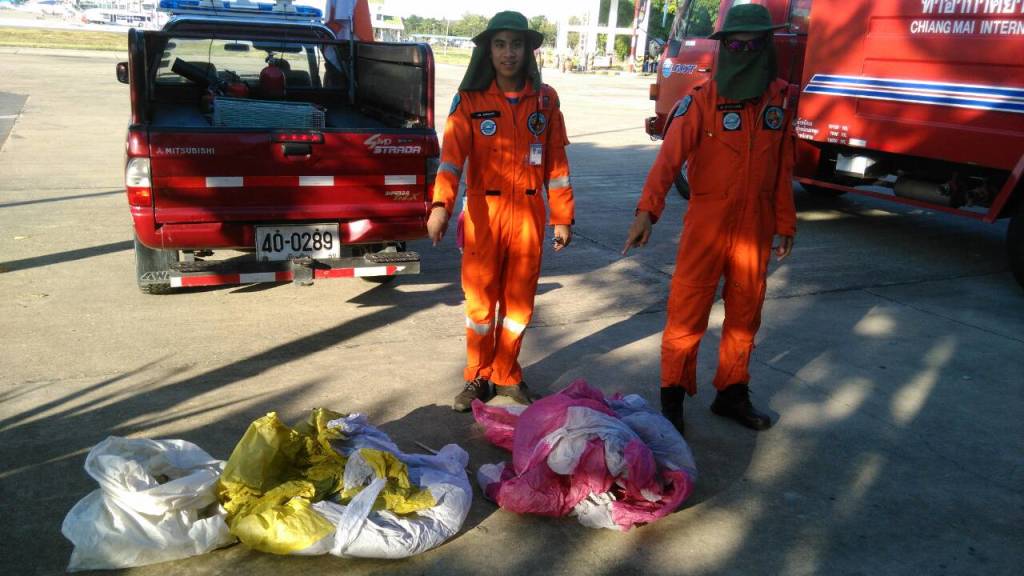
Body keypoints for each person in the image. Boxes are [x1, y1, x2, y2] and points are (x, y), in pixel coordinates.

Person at [622, 3, 796, 434]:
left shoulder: (778, 101)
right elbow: (668, 160)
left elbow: (782, 169)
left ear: (766, 47)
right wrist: (647, 212)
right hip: (707, 224)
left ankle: (732, 393)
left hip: (753, 229)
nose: (744, 51)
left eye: (754, 44)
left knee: (745, 315)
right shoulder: (700, 102)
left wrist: (784, 222)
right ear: (723, 48)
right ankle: (673, 401)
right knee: (687, 313)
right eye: (735, 44)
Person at [427, 11, 575, 412]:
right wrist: (440, 205)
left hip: (528, 214)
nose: (508, 53)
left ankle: (507, 373)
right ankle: (478, 376)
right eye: (500, 44)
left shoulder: (545, 100)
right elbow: (451, 161)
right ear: (488, 51)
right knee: (479, 305)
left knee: (519, 305)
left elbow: (556, 165)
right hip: (483, 216)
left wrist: (561, 216)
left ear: (528, 49)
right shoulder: (471, 101)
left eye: (516, 44)